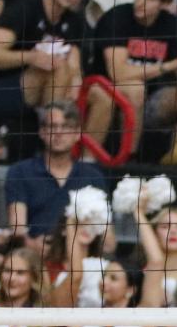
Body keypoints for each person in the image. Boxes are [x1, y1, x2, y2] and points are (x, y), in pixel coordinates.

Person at [88, 0, 177, 161]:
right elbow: (117, 73)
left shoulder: (171, 24)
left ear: (163, 3)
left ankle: (175, 161)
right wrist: (168, 66)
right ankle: (130, 160)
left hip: (153, 98)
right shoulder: (117, 17)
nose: (140, 2)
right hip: (108, 90)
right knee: (136, 88)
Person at [7, 102, 107, 244]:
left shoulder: (93, 176)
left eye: (66, 127)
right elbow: (18, 230)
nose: (59, 133)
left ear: (77, 133)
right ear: (42, 132)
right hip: (34, 256)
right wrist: (34, 246)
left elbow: (108, 239)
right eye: (52, 126)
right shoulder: (20, 172)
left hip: (80, 251)